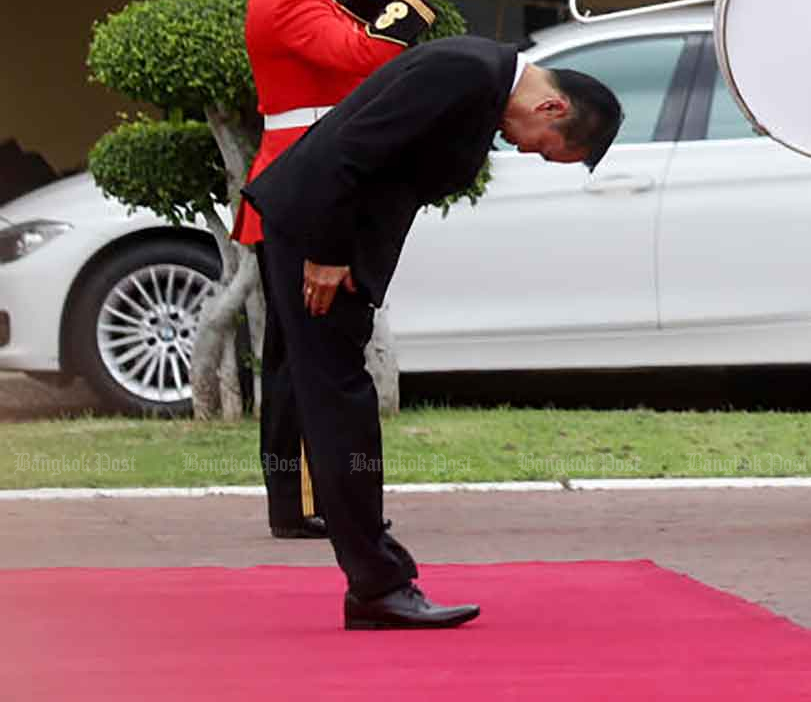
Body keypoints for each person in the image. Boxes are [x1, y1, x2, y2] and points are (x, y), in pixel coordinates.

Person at [241, 36, 623, 629]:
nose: (527, 154)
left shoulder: (479, 80)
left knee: (332, 399)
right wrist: (328, 251)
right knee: (340, 404)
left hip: (327, 243)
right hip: (320, 244)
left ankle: (375, 581)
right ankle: (376, 587)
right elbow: (350, 150)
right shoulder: (466, 73)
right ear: (554, 109)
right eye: (546, 152)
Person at [234, 0, 446, 540]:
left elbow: (337, 36)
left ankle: (297, 501)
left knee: (297, 356)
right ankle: (305, 500)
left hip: (297, 185)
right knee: (310, 358)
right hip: (302, 192)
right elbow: (367, 52)